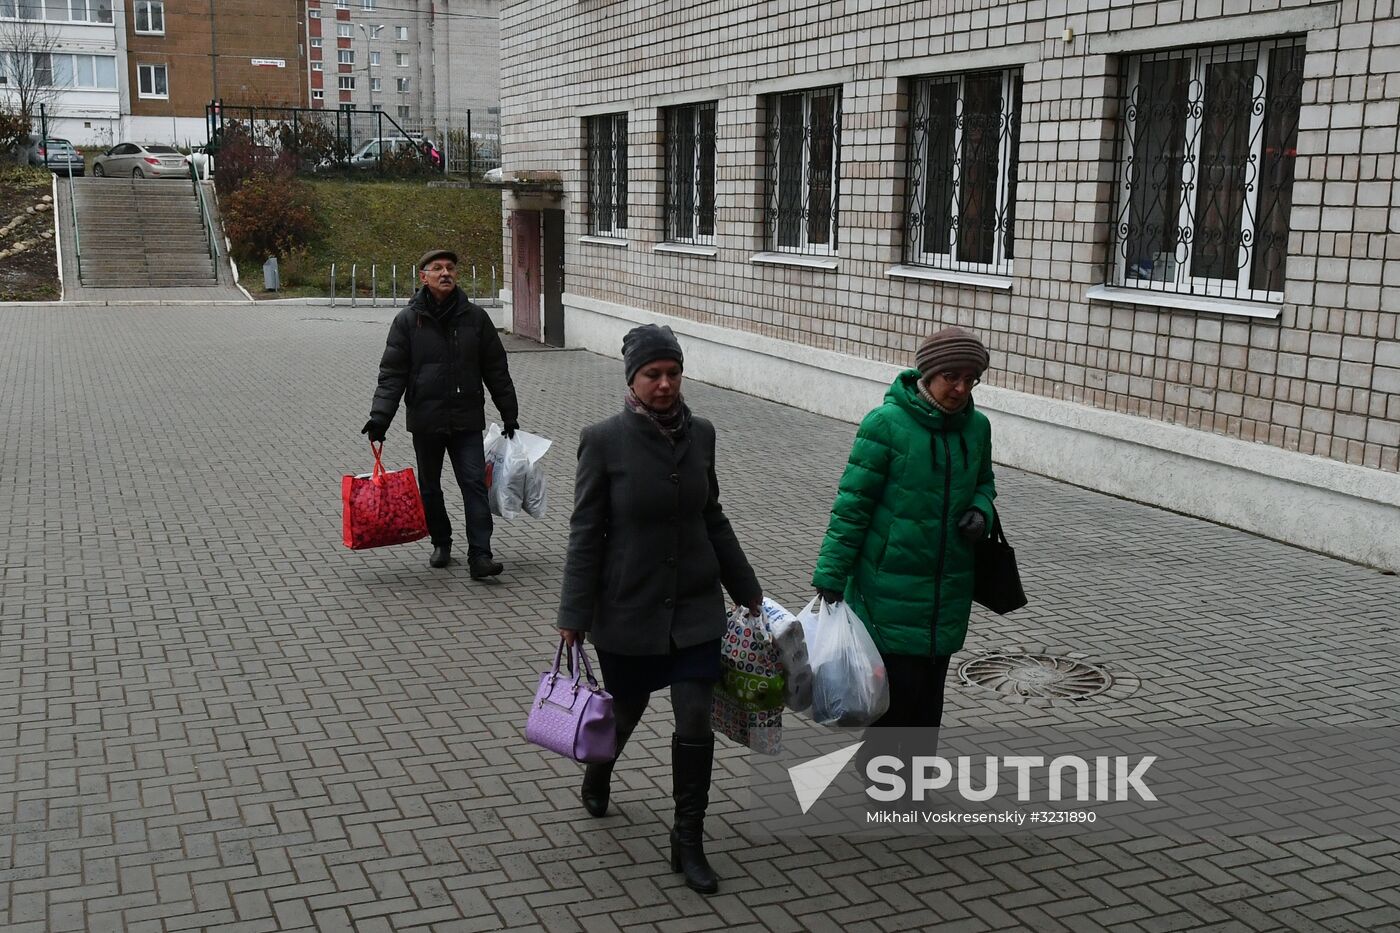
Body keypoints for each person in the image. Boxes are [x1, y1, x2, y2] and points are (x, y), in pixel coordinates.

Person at [556, 324, 762, 895]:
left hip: (695, 605)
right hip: (629, 606)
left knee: (694, 717)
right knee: (625, 713)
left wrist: (746, 588)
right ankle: (599, 771)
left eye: (673, 373)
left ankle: (687, 838)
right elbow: (585, 533)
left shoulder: (702, 433)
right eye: (653, 374)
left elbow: (711, 513)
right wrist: (573, 615)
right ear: (633, 379)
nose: (665, 384)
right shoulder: (603, 441)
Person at [811, 327, 996, 737]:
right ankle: (884, 773)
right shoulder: (885, 424)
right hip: (888, 595)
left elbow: (985, 483)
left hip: (947, 595)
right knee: (893, 710)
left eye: (971, 379)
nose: (961, 388)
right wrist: (830, 575)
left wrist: (980, 511)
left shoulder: (977, 428)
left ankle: (916, 774)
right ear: (928, 374)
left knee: (927, 711)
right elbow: (852, 505)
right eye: (952, 377)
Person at [363, 248, 519, 578]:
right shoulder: (408, 321)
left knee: (474, 484)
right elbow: (392, 374)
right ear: (424, 277)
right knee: (430, 487)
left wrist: (509, 413)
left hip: (466, 419)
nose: (445, 273)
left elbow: (496, 369)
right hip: (426, 420)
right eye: (437, 268)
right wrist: (380, 418)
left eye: (450, 268)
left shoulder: (476, 318)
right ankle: (441, 542)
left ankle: (480, 555)